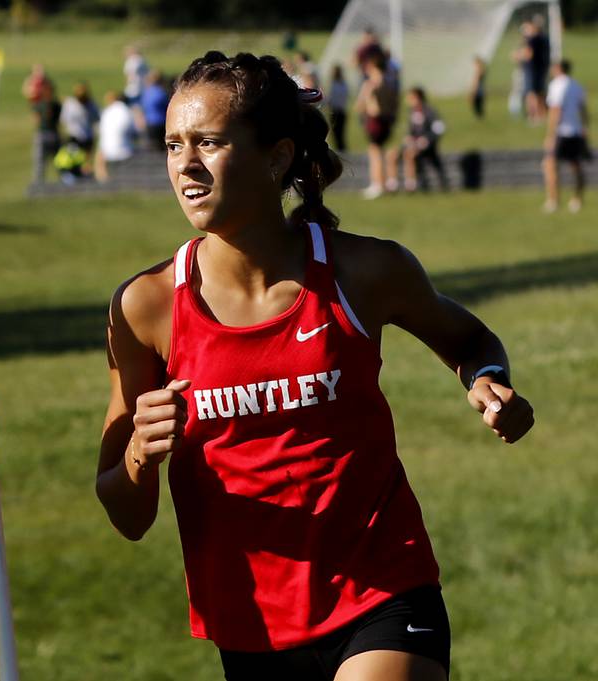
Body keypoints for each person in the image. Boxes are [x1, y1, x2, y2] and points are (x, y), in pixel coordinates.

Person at [96, 51, 534, 681]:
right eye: (172, 145)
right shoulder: (146, 307)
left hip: (382, 591)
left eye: (209, 143)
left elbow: (470, 340)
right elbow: (126, 514)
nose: (185, 166)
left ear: (275, 157)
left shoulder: (364, 271)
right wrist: (140, 449)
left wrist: (488, 382)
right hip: (250, 624)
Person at [543, 59, 591, 214]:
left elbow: (556, 110)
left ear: (558, 69)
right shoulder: (577, 85)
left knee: (550, 165)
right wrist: (585, 128)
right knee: (576, 166)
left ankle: (553, 200)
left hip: (562, 132)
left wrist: (551, 135)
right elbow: (583, 109)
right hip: (576, 131)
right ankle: (577, 199)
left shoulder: (556, 85)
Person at [387, 87, 449, 193]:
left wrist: (427, 139)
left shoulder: (429, 111)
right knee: (391, 154)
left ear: (417, 97)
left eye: (410, 97)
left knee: (409, 154)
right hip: (412, 144)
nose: (408, 100)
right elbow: (411, 131)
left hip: (425, 145)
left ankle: (410, 185)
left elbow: (439, 128)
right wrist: (408, 137)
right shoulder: (412, 111)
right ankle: (392, 185)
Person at [355, 53, 399, 199]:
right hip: (387, 120)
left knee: (375, 153)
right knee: (381, 151)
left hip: (374, 121)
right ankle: (384, 183)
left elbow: (362, 106)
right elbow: (394, 104)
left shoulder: (371, 84)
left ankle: (377, 184)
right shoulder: (390, 82)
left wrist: (365, 101)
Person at [95, 91, 136, 182]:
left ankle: (102, 179)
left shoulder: (107, 111)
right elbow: (134, 131)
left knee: (99, 153)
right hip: (125, 151)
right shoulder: (127, 111)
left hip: (107, 151)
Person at [30, 79, 61, 184]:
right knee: (58, 160)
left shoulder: (39, 104)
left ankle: (39, 183)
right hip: (54, 134)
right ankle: (63, 180)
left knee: (39, 161)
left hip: (42, 134)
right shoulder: (57, 104)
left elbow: (36, 119)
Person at [140, 70, 170, 151]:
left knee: (151, 145)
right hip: (161, 123)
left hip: (149, 123)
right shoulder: (161, 93)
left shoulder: (146, 93)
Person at [328, 64, 349, 152]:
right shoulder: (343, 84)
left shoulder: (334, 84)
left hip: (336, 111)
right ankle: (342, 152)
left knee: (337, 135)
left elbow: (332, 99)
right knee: (340, 135)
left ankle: (341, 153)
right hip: (342, 111)